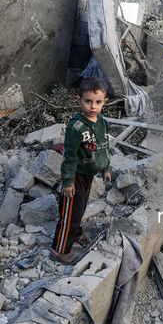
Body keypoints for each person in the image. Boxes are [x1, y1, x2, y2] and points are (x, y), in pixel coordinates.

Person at [51, 77, 112, 264]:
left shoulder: (102, 122)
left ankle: (76, 234)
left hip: (89, 175)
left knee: (79, 208)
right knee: (69, 212)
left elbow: (103, 147)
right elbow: (69, 155)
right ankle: (59, 250)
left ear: (104, 102)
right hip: (76, 176)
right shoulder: (76, 127)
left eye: (98, 102)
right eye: (88, 101)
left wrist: (105, 169)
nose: (93, 106)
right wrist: (68, 181)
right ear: (79, 100)